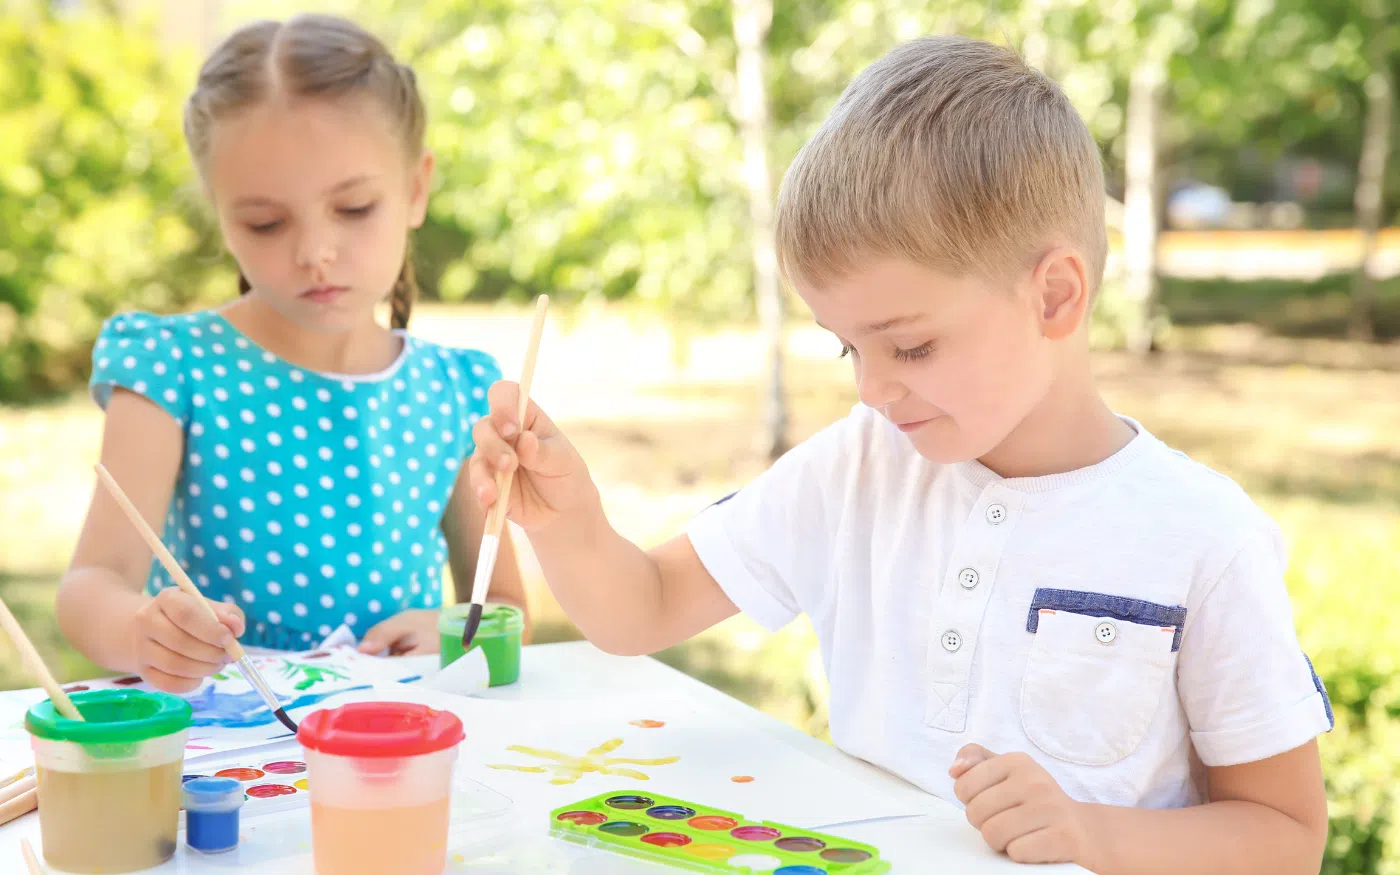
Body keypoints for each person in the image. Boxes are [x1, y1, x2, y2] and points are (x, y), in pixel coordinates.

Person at [467, 36, 1331, 874]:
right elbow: (641, 610)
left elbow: (1284, 836)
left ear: (1055, 296)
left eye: (910, 348)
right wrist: (567, 520)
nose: (872, 390)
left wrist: (1090, 833)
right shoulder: (858, 468)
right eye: (849, 348)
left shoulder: (1204, 536)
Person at [58, 13, 527, 694]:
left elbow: (504, 605)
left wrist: (454, 627)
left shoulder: (455, 390)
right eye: (266, 222)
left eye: (355, 207)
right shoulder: (171, 368)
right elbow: (88, 586)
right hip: (230, 759)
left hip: (395, 750)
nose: (315, 253)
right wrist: (141, 629)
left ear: (416, 188)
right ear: (219, 213)